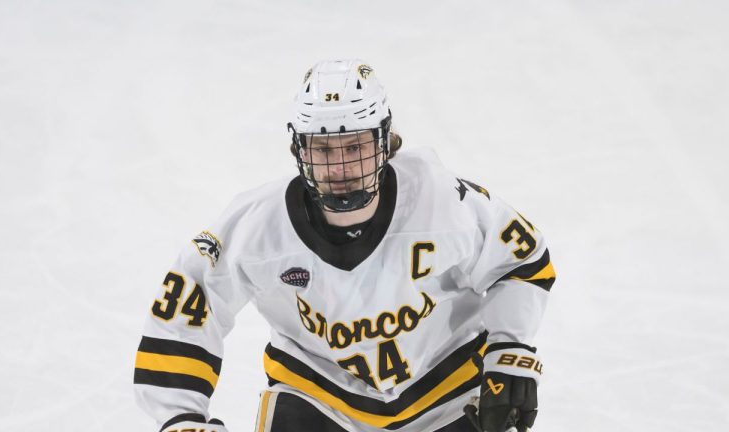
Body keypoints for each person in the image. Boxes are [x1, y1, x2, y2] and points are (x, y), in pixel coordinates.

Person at [133, 59, 555, 432]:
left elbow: (522, 263)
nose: (340, 168)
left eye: (354, 146)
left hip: (444, 396)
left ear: (386, 143)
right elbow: (189, 306)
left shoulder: (445, 202)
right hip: (318, 398)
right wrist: (183, 418)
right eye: (323, 149)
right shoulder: (255, 227)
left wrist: (510, 346)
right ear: (298, 149)